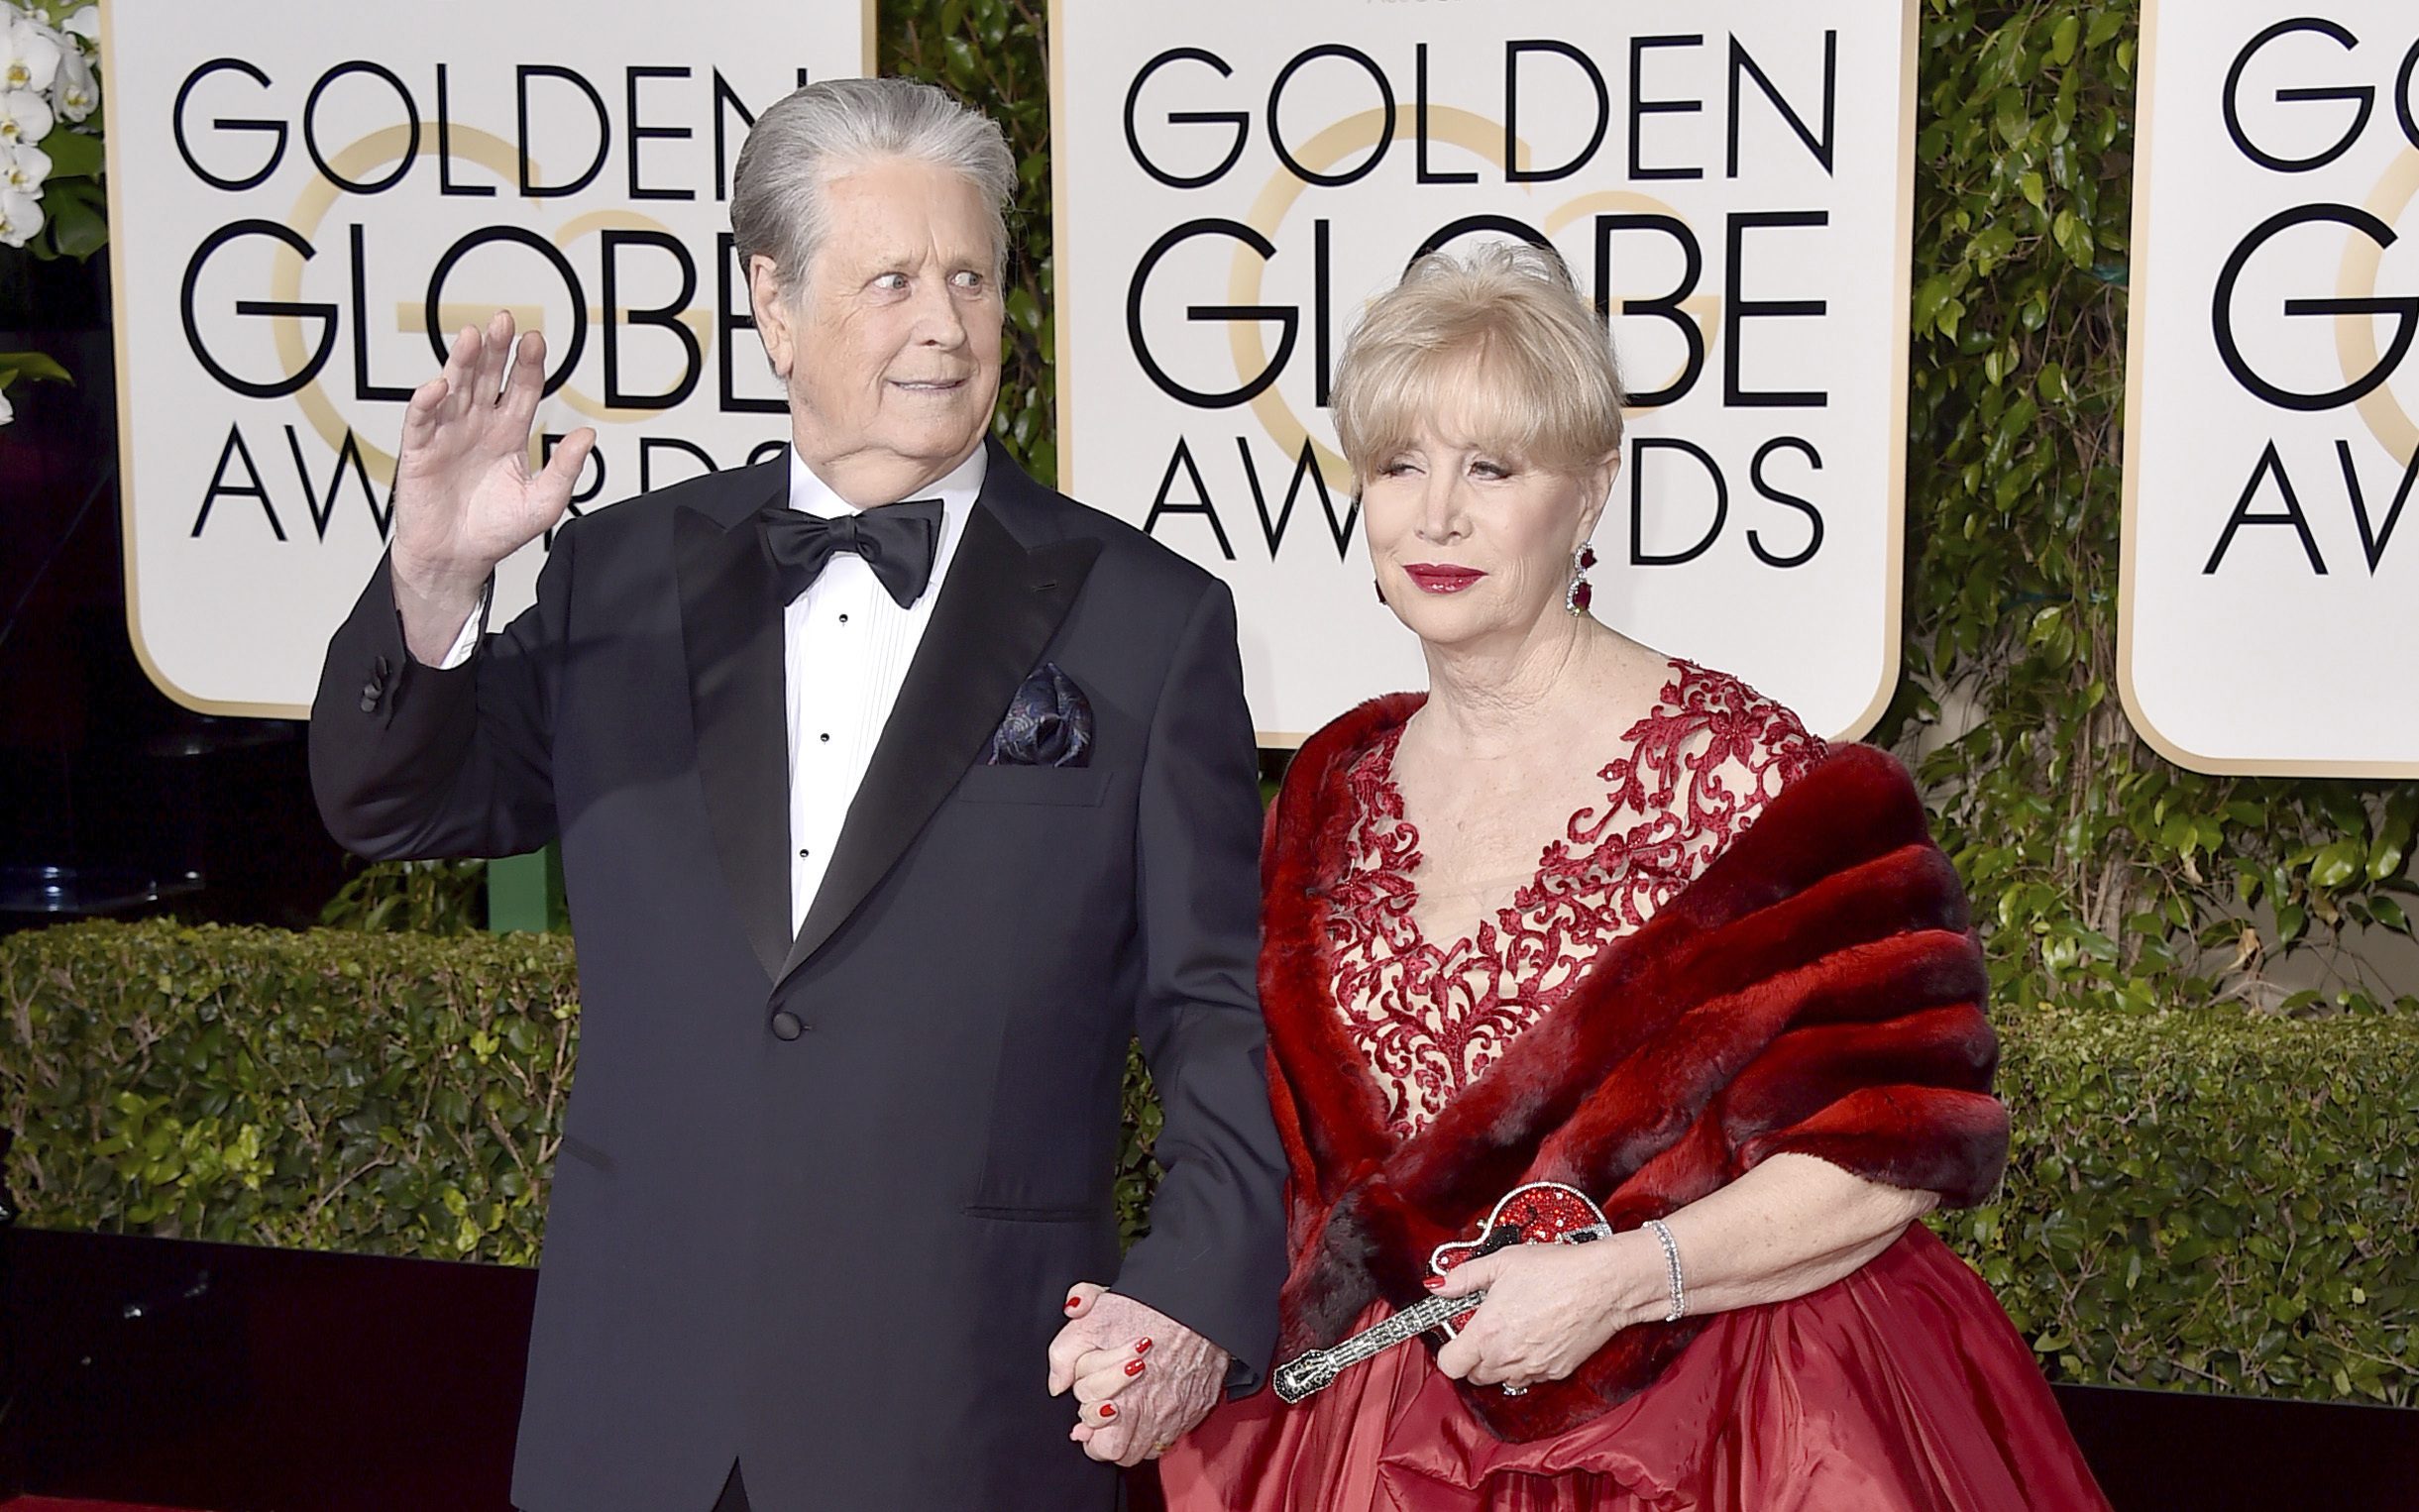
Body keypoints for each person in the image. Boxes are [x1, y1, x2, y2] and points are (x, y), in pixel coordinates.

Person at [308, 78, 1286, 1512]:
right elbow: (395, 806)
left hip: (959, 1411)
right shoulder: (623, 574)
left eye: (969, 275)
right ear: (772, 303)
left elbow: (1214, 1008)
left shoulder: (1149, 619)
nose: (945, 324)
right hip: (632, 1414)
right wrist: (436, 584)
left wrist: (1197, 1285)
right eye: (891, 278)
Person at [1141, 244, 2109, 1509]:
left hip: (1740, 1421)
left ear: (1592, 490)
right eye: (1398, 466)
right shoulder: (1327, 790)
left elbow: (1901, 1139)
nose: (1436, 514)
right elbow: (1280, 1162)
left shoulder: (1760, 780)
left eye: (1491, 468)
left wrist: (1626, 1275)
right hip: (1385, 1436)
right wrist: (1164, 1311)